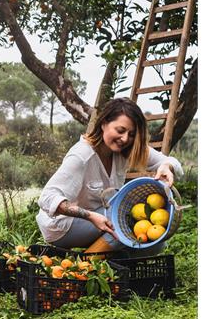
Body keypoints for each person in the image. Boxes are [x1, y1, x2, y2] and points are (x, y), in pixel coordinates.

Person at [36, 97, 183, 255]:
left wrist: (166, 167)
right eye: (120, 131)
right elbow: (47, 197)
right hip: (62, 226)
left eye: (131, 134)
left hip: (101, 218)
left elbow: (171, 162)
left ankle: (107, 263)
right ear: (104, 123)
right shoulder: (82, 156)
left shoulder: (123, 150)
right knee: (122, 216)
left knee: (154, 244)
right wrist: (90, 216)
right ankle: (83, 266)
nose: (125, 139)